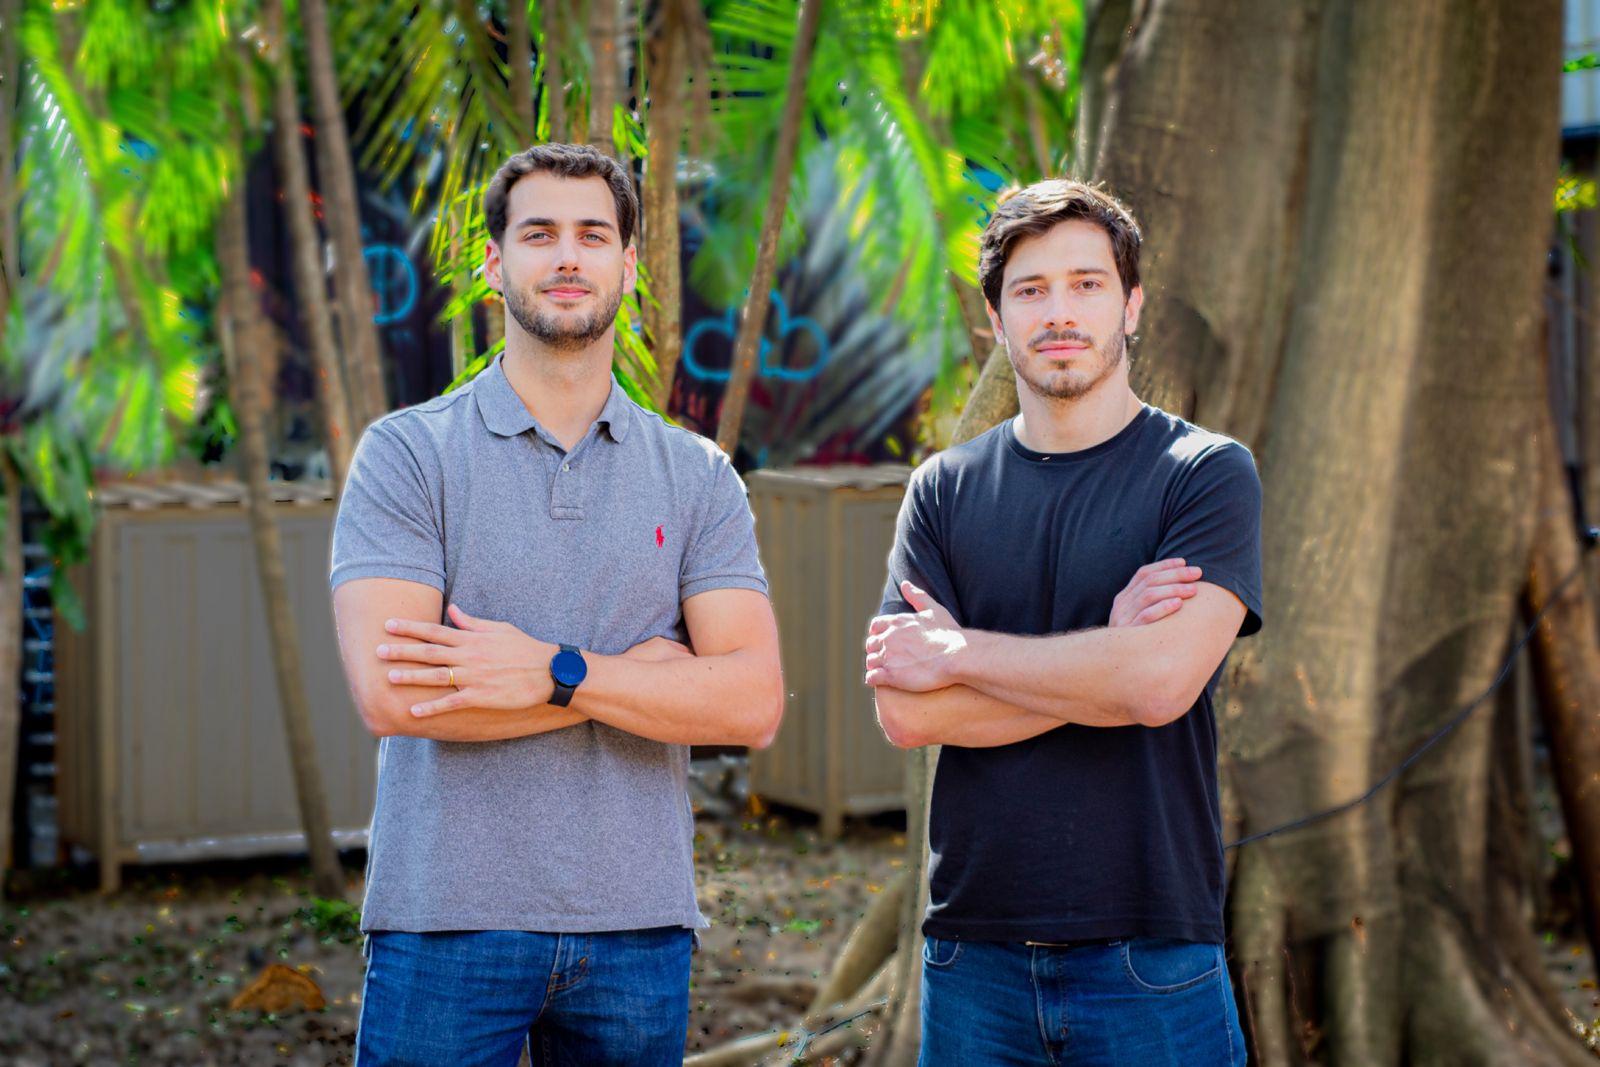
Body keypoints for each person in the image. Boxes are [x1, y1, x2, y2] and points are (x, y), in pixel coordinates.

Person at [329, 142, 784, 1066]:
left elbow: (750, 702)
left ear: (630, 265)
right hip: (442, 922)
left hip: (638, 927)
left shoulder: (696, 476)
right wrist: (644, 679)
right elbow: (397, 699)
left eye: (592, 234)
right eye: (539, 234)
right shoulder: (409, 455)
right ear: (495, 265)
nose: (567, 257)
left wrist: (551, 671)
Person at [866, 179, 1262, 1066]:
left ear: (1132, 306)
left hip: (1152, 947)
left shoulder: (1202, 474)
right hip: (974, 950)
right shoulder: (944, 490)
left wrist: (962, 654)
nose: (1060, 312)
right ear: (997, 323)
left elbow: (1160, 685)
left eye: (1087, 284)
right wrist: (1110, 657)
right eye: (1031, 290)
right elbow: (909, 713)